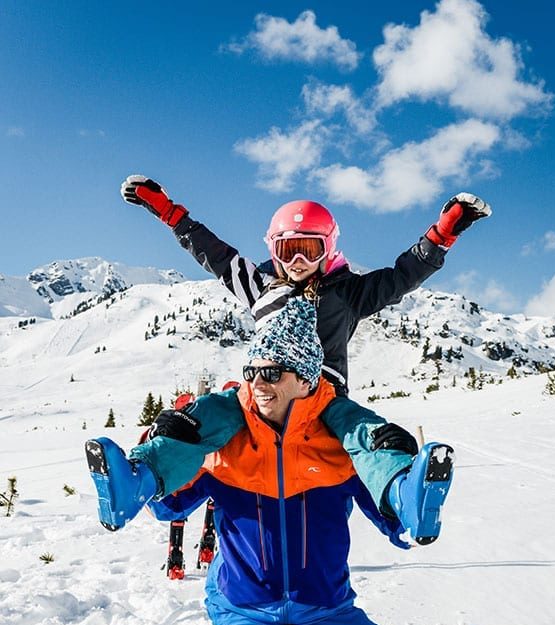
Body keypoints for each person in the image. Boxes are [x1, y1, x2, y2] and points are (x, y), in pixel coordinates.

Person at [86, 298, 454, 625]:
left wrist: (403, 494)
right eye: (252, 370)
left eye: (273, 372)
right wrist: (157, 448)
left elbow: (392, 524)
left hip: (329, 615)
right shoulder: (224, 436)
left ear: (304, 377)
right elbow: (169, 506)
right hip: (251, 616)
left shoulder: (339, 440)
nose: (258, 383)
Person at [116, 177, 489, 521]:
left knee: (366, 434)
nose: (298, 263)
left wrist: (440, 236)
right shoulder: (258, 285)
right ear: (273, 249)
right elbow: (212, 253)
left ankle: (406, 494)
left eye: (309, 250)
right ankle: (140, 478)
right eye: (288, 250)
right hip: (260, 391)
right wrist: (169, 213)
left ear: (328, 249)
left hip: (324, 397)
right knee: (203, 417)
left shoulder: (348, 292)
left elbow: (401, 277)